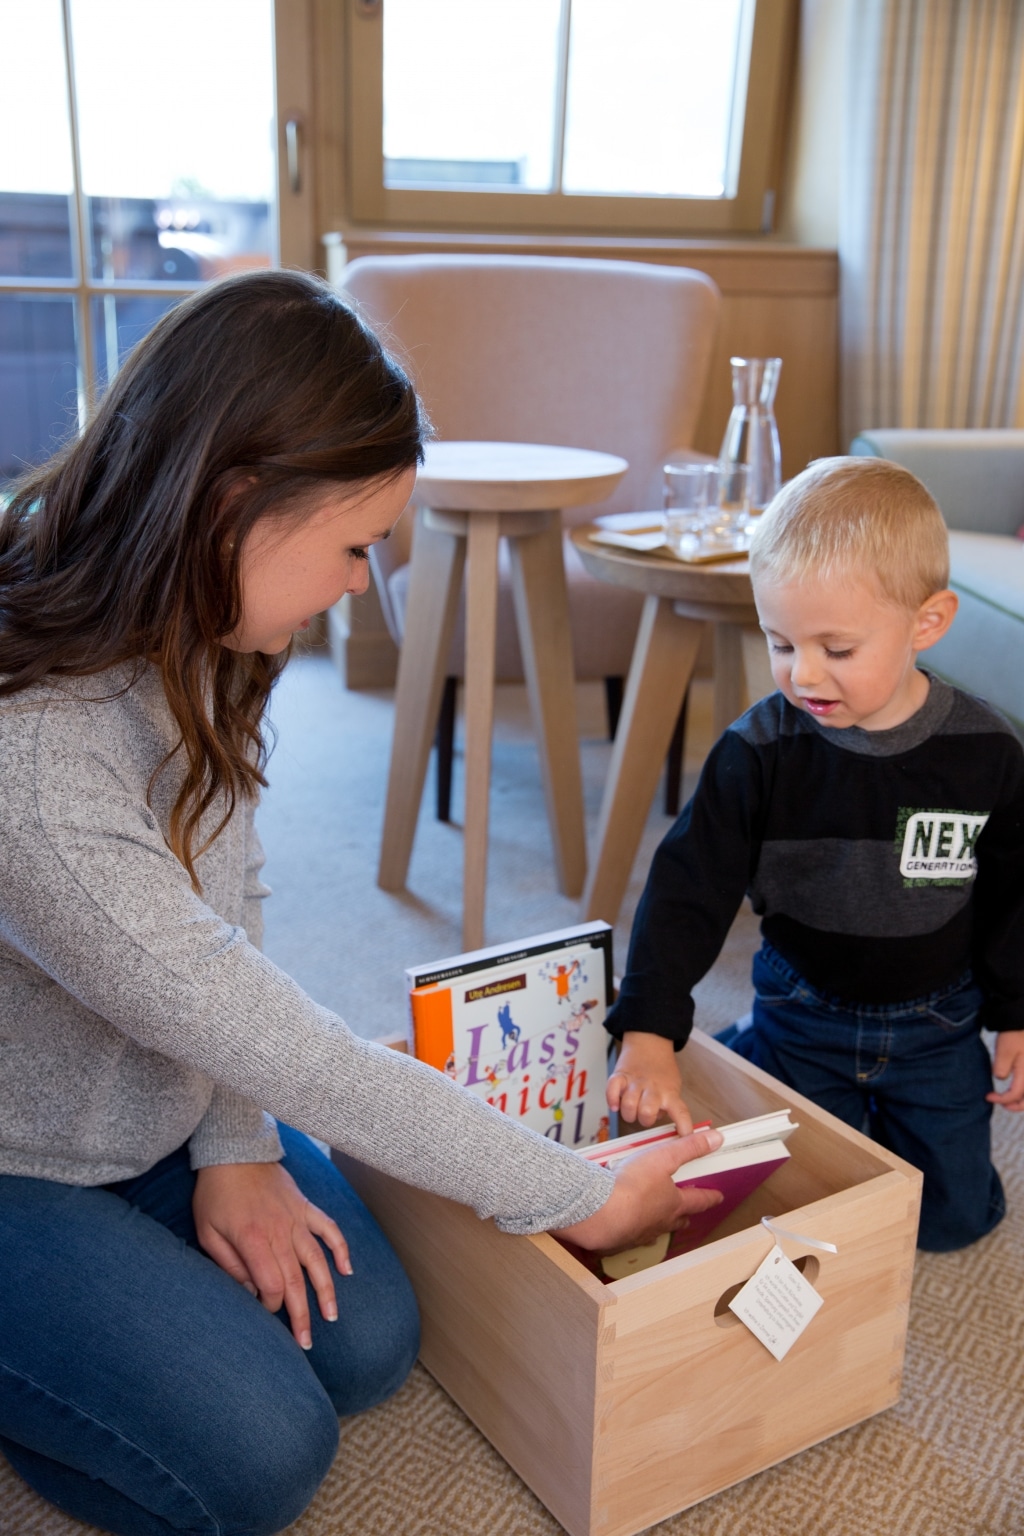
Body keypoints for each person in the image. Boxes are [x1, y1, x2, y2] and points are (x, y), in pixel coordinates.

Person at [0, 270, 724, 1536]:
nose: (361, 587)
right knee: (260, 1457)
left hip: (153, 1107)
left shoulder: (205, 633)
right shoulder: (39, 761)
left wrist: (235, 1145)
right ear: (234, 504)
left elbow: (228, 916)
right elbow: (270, 1032)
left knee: (369, 1343)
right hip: (19, 1163)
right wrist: (576, 1189)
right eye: (352, 548)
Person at [604, 456, 1024, 1253]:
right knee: (792, 1201)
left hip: (938, 1022)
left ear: (927, 623)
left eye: (836, 647)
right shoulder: (759, 750)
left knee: (952, 1223)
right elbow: (688, 888)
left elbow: (1013, 894)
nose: (803, 674)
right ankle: (743, 1057)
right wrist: (652, 1030)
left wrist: (1016, 1015)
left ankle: (768, 1071)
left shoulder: (987, 750)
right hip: (804, 1009)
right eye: (780, 641)